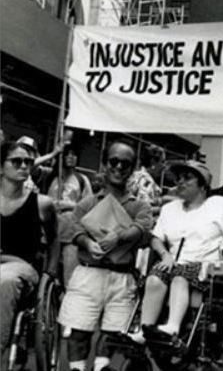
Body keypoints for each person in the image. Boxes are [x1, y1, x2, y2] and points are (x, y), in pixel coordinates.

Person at [57, 140, 152, 371]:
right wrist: (87, 243)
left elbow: (142, 229)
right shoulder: (87, 203)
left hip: (122, 279)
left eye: (126, 164)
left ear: (133, 168)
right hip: (88, 275)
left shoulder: (139, 206)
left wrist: (118, 237)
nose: (119, 167)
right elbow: (74, 230)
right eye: (114, 161)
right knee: (77, 331)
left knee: (111, 336)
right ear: (104, 163)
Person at [128, 160, 223, 344]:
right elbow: (155, 237)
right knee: (154, 277)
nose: (180, 182)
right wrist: (165, 255)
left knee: (179, 276)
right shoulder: (169, 209)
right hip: (174, 262)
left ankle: (172, 327)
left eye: (187, 178)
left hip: (206, 267)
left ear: (202, 185)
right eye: (179, 178)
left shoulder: (219, 204)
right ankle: (144, 331)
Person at [0, 141, 59, 363]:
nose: (24, 166)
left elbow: (54, 241)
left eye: (28, 162)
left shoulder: (42, 203)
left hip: (22, 268)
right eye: (17, 161)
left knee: (4, 281)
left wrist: (49, 274)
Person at [47, 144, 93, 285]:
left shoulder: (82, 179)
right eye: (68, 154)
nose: (71, 157)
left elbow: (89, 204)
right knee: (48, 273)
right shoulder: (51, 176)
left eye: (74, 154)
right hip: (50, 230)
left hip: (70, 231)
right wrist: (53, 153)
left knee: (70, 274)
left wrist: (69, 204)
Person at [127, 144, 163, 215]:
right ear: (153, 162)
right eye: (162, 161)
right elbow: (143, 209)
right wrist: (164, 210)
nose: (163, 166)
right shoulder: (146, 180)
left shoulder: (136, 174)